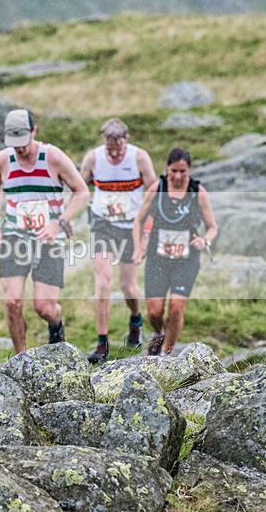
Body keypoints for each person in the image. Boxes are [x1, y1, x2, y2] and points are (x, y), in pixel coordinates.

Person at [0, 109, 90, 354]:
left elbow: (82, 192)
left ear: (34, 131)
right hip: (15, 235)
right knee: (12, 302)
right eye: (14, 144)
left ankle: (56, 326)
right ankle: (21, 358)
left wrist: (60, 222)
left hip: (48, 239)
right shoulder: (1, 161)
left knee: (44, 307)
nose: (19, 149)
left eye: (23, 142)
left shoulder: (53, 158)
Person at [80, 118, 157, 363]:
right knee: (103, 282)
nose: (113, 154)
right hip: (104, 225)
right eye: (109, 149)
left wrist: (146, 232)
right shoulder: (93, 158)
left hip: (131, 227)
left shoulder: (139, 158)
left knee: (127, 286)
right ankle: (102, 345)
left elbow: (154, 195)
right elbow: (79, 187)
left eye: (118, 149)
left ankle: (135, 318)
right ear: (103, 141)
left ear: (127, 140)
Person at [131, 148, 218, 356]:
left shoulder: (198, 192)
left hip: (186, 259)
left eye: (183, 172)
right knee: (154, 310)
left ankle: (167, 354)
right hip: (157, 257)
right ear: (166, 168)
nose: (178, 176)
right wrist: (138, 247)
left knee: (176, 308)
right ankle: (159, 333)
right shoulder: (156, 189)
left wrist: (204, 240)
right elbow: (138, 220)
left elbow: (212, 227)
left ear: (189, 170)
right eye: (173, 171)